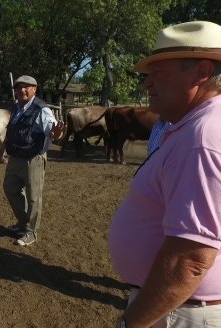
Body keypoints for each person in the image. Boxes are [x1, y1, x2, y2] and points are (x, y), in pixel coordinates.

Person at [108, 21, 221, 327]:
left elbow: (190, 258)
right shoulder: (194, 127)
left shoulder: (201, 139)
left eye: (158, 73)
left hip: (178, 312)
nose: (147, 84)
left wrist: (131, 323)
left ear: (201, 72)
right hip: (177, 305)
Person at [2, 75, 57, 246]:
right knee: (10, 188)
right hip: (15, 157)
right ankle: (23, 222)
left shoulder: (42, 110)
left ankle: (31, 232)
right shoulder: (16, 108)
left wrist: (58, 134)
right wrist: (0, 152)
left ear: (35, 89)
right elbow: (11, 131)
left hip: (33, 158)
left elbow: (52, 131)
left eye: (26, 87)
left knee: (34, 197)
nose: (22, 90)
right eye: (19, 87)